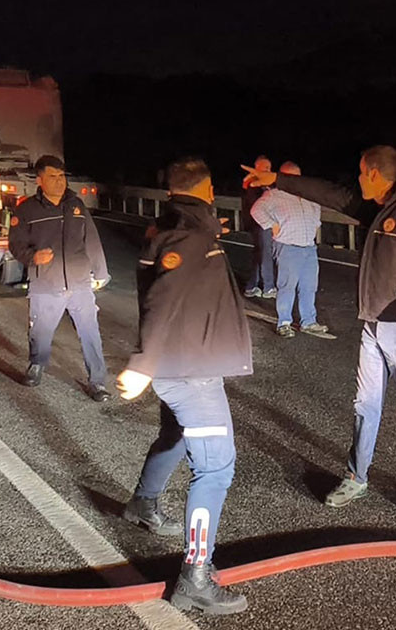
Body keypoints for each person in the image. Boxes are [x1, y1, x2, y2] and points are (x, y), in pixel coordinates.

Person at [243, 145, 396, 520]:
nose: (357, 180)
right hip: (372, 328)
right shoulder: (375, 209)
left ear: (374, 173)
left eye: (360, 172)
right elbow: (328, 193)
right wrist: (277, 180)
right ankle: (356, 476)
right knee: (365, 407)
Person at [117, 157, 251, 615]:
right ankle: (196, 576)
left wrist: (212, 234)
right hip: (189, 368)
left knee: (175, 435)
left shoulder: (174, 228)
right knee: (215, 471)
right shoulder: (188, 237)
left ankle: (143, 502)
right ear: (209, 190)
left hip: (181, 360)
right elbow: (165, 294)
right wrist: (142, 364)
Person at [8, 155, 112, 402]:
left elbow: (92, 240)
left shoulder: (76, 206)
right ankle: (36, 365)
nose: (59, 181)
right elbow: (15, 244)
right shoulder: (26, 210)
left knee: (90, 333)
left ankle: (97, 382)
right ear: (39, 179)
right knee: (41, 332)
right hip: (46, 283)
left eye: (62, 176)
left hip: (79, 283)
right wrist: (33, 257)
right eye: (52, 176)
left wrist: (100, 272)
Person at [249, 161, 326, 338]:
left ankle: (309, 321)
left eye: (297, 176)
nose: (295, 180)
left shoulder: (308, 195)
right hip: (288, 246)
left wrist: (316, 225)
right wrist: (271, 225)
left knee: (309, 286)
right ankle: (284, 322)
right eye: (290, 176)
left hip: (309, 247)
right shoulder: (274, 195)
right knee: (287, 286)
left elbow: (317, 208)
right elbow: (256, 209)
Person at [241, 155, 277, 300]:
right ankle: (268, 286)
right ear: (257, 168)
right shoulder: (253, 183)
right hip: (260, 224)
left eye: (269, 167)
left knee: (260, 254)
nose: (268, 170)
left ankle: (251, 286)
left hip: (258, 223)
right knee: (265, 253)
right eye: (265, 168)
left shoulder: (261, 183)